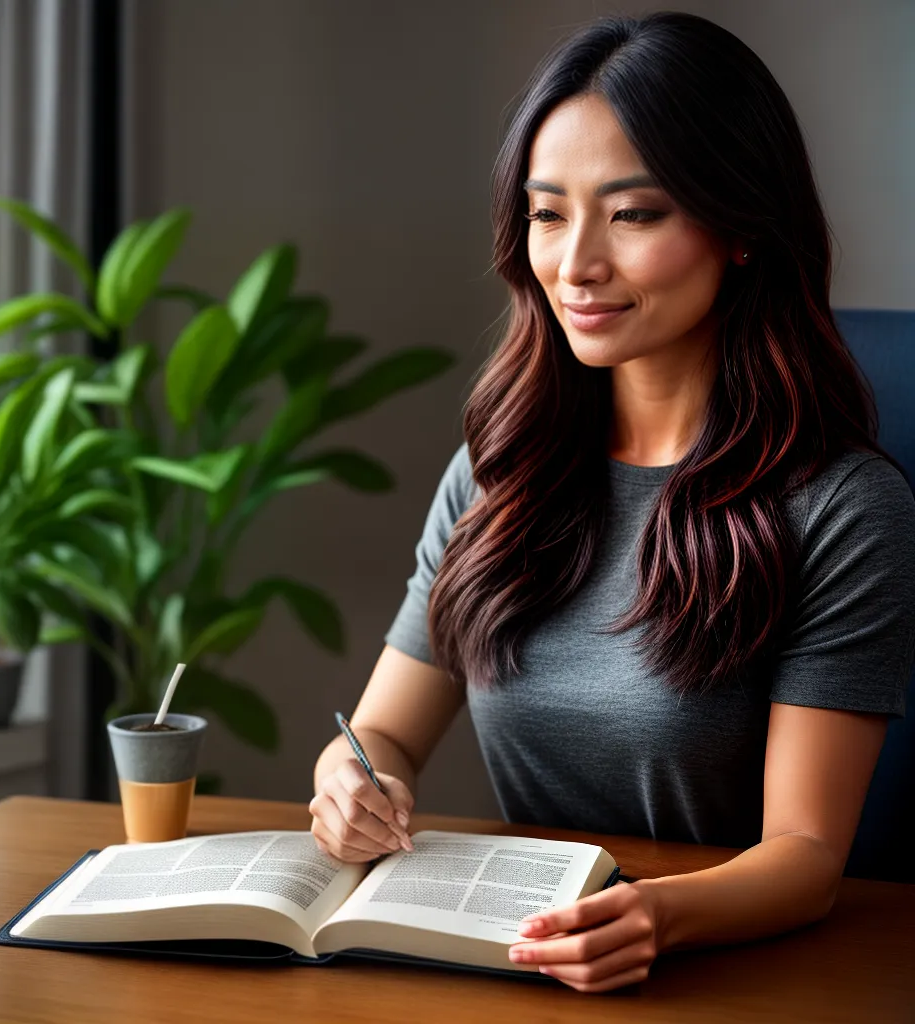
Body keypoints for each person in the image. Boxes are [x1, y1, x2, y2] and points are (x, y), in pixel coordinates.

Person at [309, 10, 915, 994]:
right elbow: (381, 732)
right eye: (548, 214)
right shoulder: (501, 467)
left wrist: (655, 914)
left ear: (741, 229)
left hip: (723, 975)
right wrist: (350, 783)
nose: (576, 263)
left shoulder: (841, 508)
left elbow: (805, 854)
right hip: (518, 960)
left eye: (632, 214)